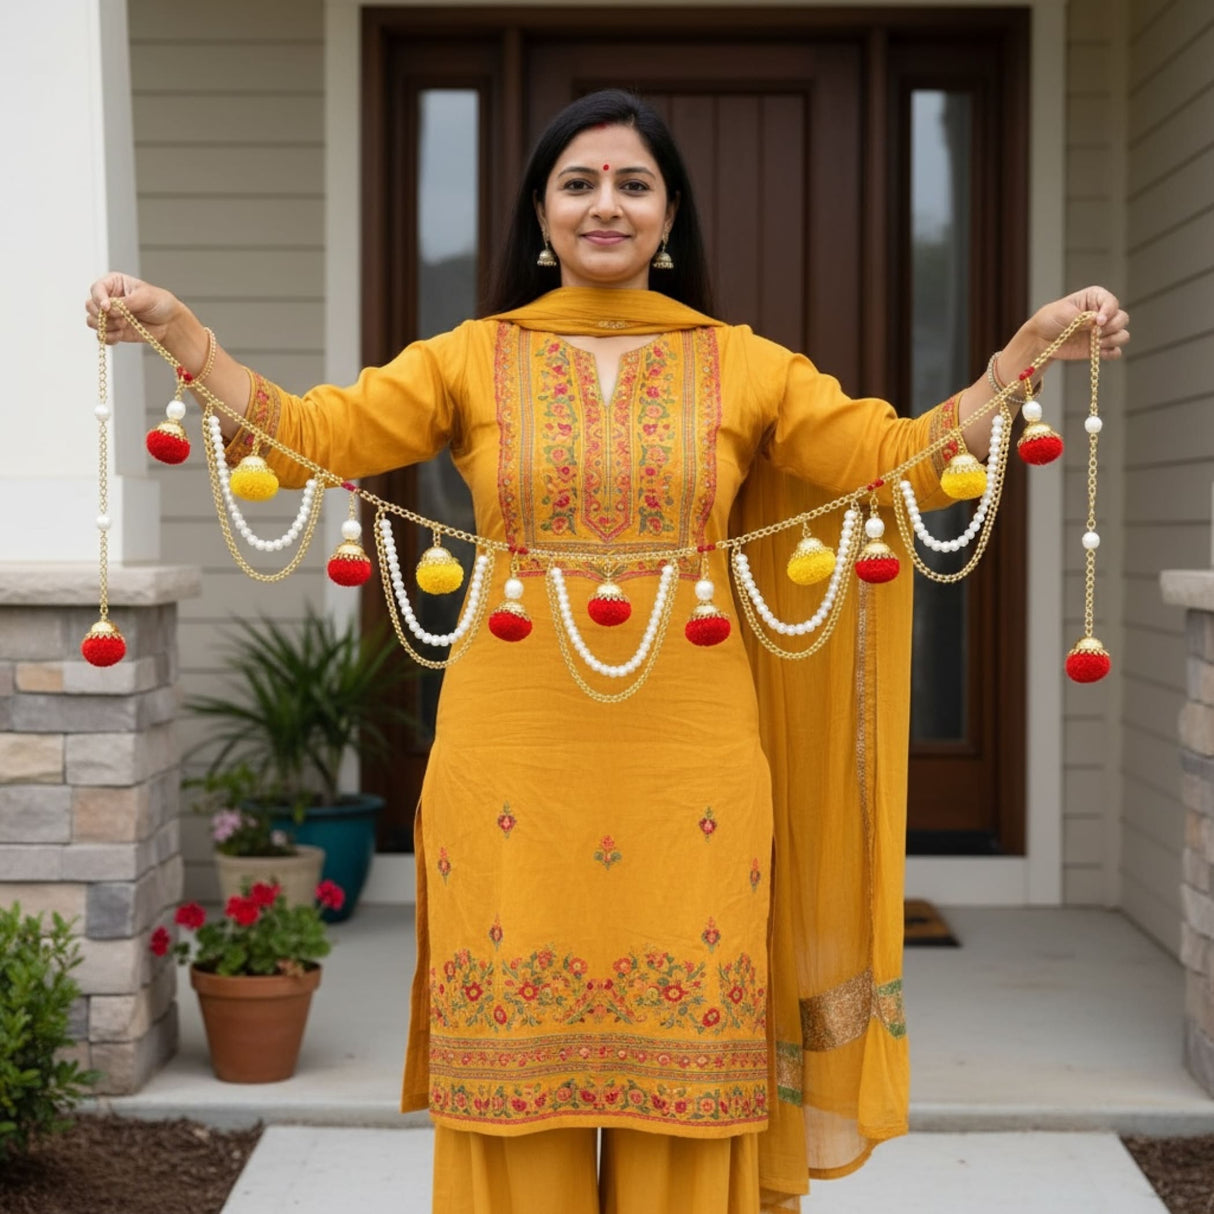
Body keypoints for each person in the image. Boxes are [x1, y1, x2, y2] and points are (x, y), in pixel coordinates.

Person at [88, 88, 1129, 1214]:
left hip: (692, 764)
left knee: (686, 1082)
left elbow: (892, 460)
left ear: (668, 215)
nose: (605, 204)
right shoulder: (468, 359)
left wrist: (1022, 353)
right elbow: (315, 437)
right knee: (509, 1086)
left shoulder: (745, 366)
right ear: (540, 214)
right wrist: (184, 337)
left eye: (632, 183)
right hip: (509, 759)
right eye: (577, 182)